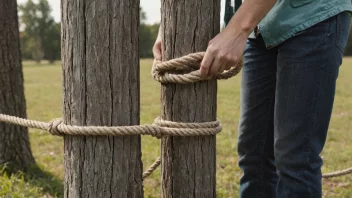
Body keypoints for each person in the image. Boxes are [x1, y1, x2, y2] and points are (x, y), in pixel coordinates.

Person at [153, 0, 352, 197]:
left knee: (296, 157)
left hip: (312, 15)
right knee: (254, 153)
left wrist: (237, 30)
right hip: (262, 25)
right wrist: (169, 25)